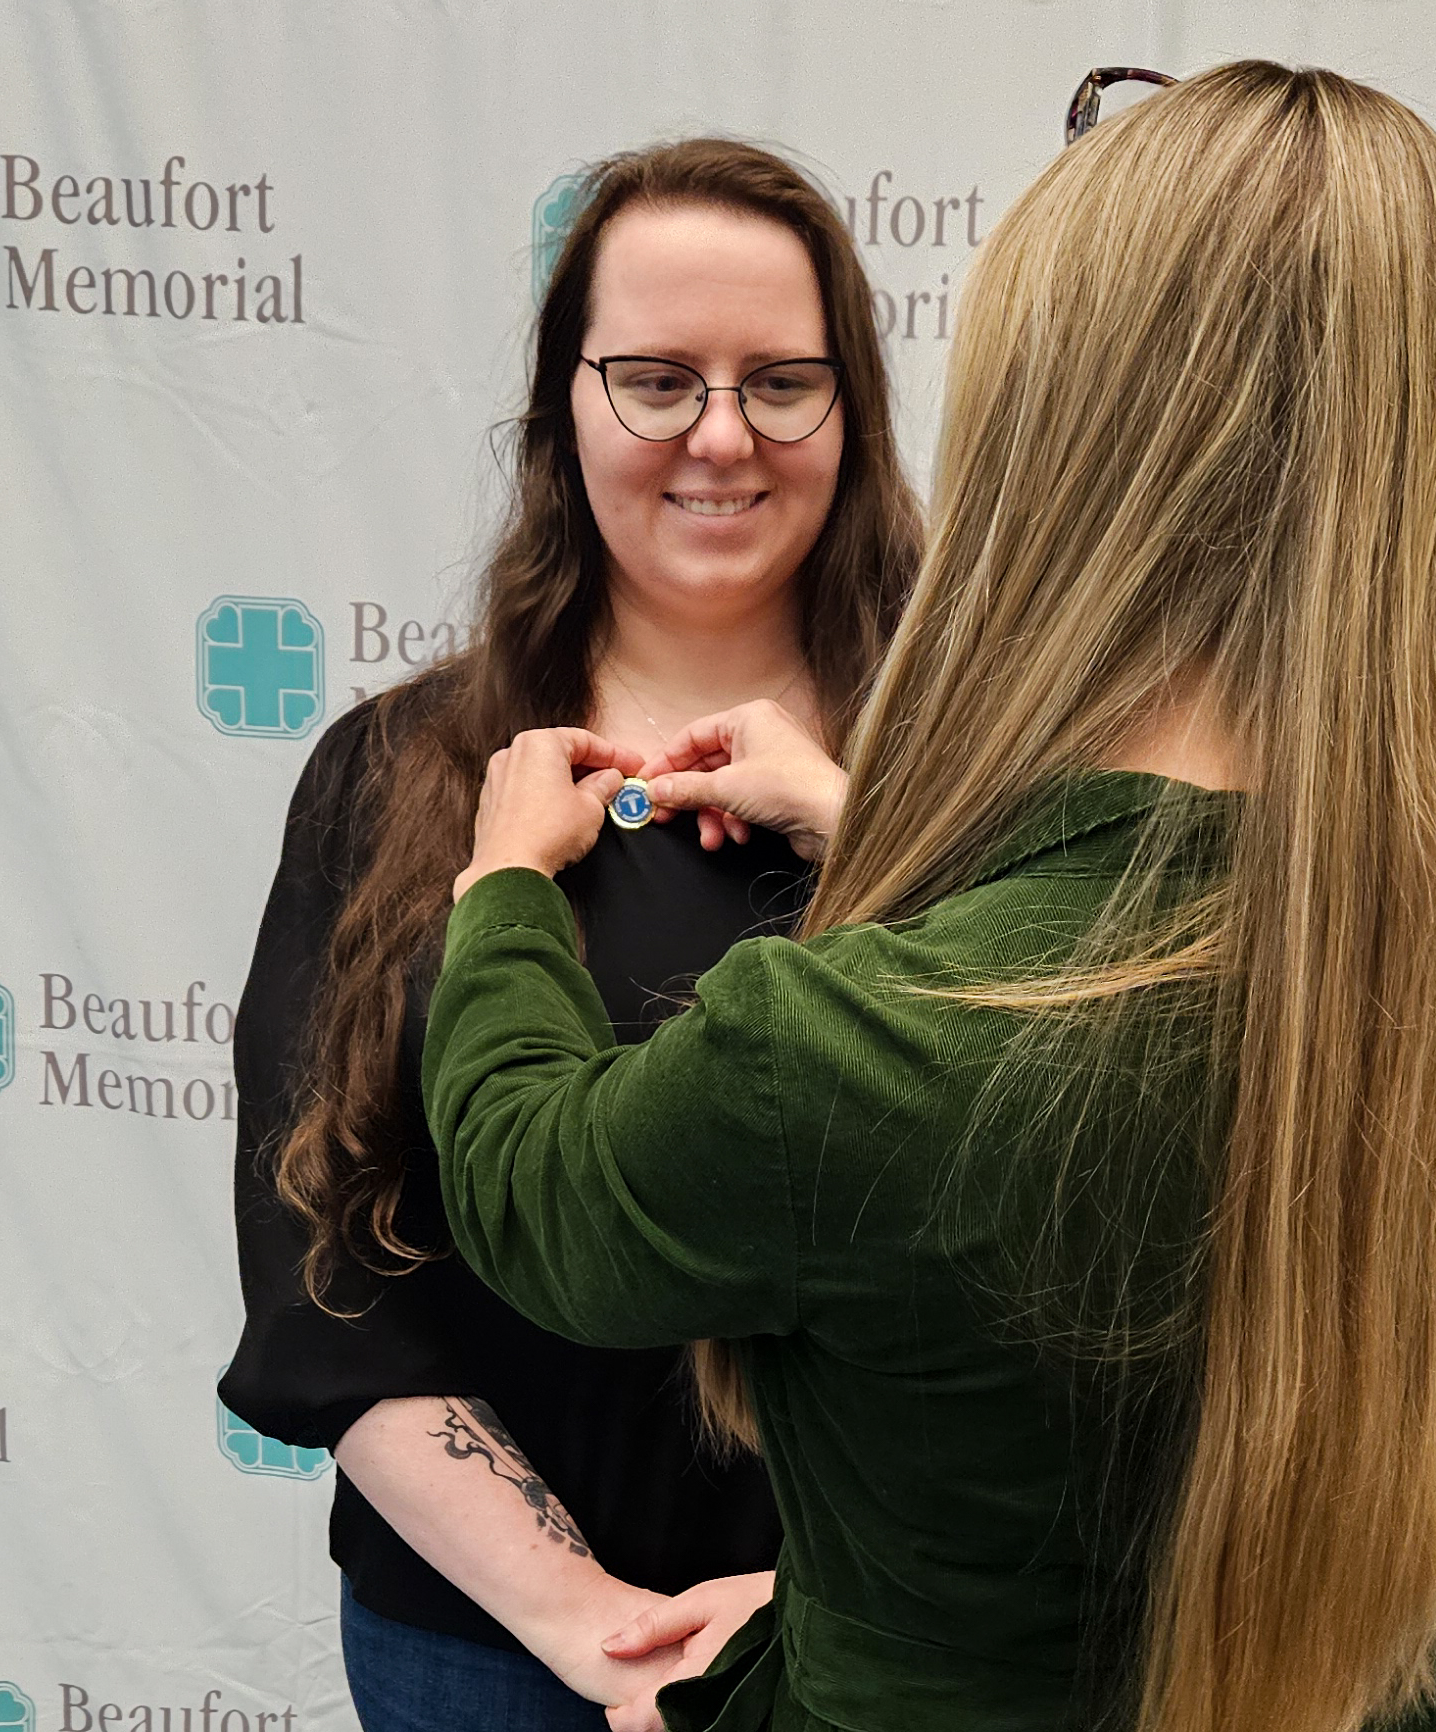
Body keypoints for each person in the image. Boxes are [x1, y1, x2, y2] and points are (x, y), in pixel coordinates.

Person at [421, 61, 1436, 1732]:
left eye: (780, 380)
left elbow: (539, 1191)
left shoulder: (849, 1046)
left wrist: (498, 893)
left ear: (1052, 432)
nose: (720, 432)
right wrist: (884, 822)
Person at [218, 137, 921, 1732]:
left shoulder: (963, 780)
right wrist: (584, 1618)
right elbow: (320, 1252)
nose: (721, 437)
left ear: (852, 413)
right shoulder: (395, 776)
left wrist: (865, 822)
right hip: (474, 1646)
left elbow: (1054, 1221)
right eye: (657, 379)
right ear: (562, 409)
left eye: (782, 382)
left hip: (874, 1641)